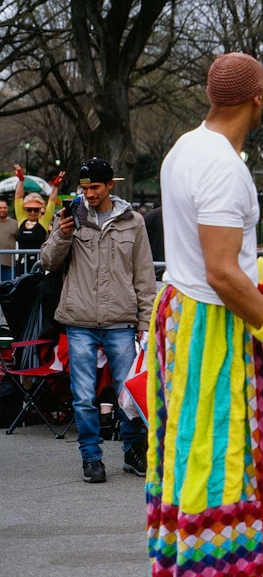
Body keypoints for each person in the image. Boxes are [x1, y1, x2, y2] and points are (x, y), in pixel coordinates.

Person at [147, 52, 263, 574]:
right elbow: (223, 273)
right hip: (210, 329)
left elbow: (213, 258)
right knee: (218, 461)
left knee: (186, 457)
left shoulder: (185, 148)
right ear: (259, 96)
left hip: (181, 312)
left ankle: (181, 558)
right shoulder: (224, 167)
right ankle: (215, 566)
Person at [39, 158, 156, 483]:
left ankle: (133, 452)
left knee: (128, 393)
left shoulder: (133, 222)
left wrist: (146, 323)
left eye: (95, 187)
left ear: (109, 187)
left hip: (121, 320)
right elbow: (46, 261)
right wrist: (62, 235)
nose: (88, 194)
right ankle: (91, 456)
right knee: (84, 394)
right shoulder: (70, 218)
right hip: (79, 320)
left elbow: (144, 277)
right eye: (84, 187)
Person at [13, 164, 64, 273]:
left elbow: (51, 202)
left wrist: (55, 186)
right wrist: (21, 180)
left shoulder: (43, 222)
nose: (32, 212)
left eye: (36, 210)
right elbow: (18, 198)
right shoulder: (22, 219)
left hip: (38, 265)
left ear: (40, 210)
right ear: (25, 210)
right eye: (29, 209)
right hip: (22, 265)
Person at [0, 199, 17, 280]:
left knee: (8, 289)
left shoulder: (15, 224)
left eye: (4, 207)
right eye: (0, 208)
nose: (3, 209)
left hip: (9, 264)